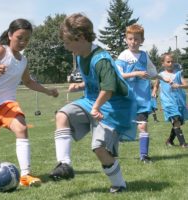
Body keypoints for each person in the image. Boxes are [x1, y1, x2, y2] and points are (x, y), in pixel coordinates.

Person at [49, 13, 136, 193]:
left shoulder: (101, 59)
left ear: (80, 37)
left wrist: (96, 107)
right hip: (92, 101)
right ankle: (64, 164)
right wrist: (80, 86)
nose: (66, 47)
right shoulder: (81, 56)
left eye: (67, 42)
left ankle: (119, 184)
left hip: (114, 107)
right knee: (62, 115)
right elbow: (95, 83)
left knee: (99, 148)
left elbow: (108, 88)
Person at [0, 18, 59, 187]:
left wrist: (48, 91)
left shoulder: (23, 61)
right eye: (19, 37)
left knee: (22, 128)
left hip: (7, 104)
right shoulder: (1, 51)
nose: (23, 42)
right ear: (10, 35)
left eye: (27, 39)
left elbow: (29, 82)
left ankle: (25, 175)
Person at [115, 24, 166, 163]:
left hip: (142, 99)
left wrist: (161, 78)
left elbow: (152, 72)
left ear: (142, 40)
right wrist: (136, 73)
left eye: (136, 39)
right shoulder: (124, 55)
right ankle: (111, 152)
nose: (133, 42)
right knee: (119, 127)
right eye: (130, 39)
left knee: (142, 125)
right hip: (126, 98)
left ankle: (144, 155)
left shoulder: (144, 55)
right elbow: (118, 75)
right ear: (126, 39)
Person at [152, 53, 188, 148]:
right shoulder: (160, 75)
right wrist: (154, 92)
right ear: (163, 63)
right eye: (168, 61)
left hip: (179, 101)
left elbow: (186, 85)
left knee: (178, 122)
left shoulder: (178, 73)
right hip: (167, 102)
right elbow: (156, 85)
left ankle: (169, 141)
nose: (170, 63)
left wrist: (179, 85)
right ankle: (183, 143)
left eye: (172, 61)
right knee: (175, 119)